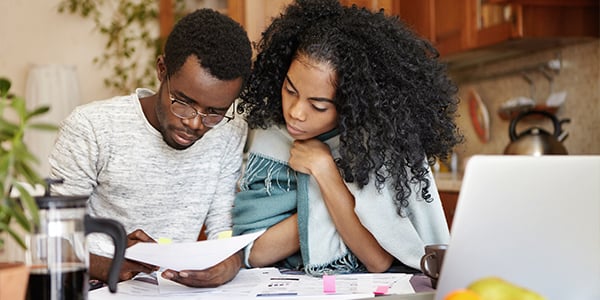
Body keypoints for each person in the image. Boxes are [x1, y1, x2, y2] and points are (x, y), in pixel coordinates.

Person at [232, 0, 462, 276]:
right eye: (290, 90)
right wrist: (328, 208)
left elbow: (377, 261)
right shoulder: (271, 135)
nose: (296, 113)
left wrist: (325, 171)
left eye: (318, 106)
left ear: (351, 105)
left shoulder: (377, 147)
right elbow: (254, 253)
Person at [48, 8, 252, 287]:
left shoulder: (229, 130)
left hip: (173, 290)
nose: (195, 123)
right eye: (183, 102)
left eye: (214, 112)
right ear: (161, 70)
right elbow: (51, 237)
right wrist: (107, 264)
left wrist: (228, 264)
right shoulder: (91, 128)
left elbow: (223, 227)